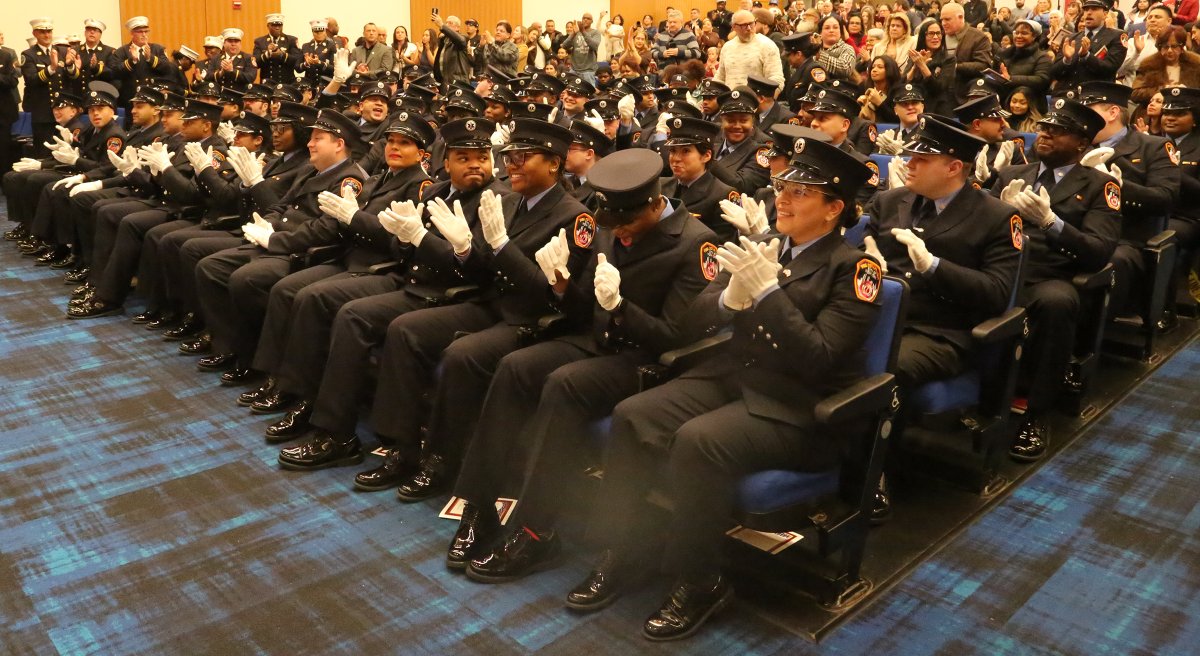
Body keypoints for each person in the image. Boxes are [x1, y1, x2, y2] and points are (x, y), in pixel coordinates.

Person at [556, 135, 878, 642]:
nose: (784, 199)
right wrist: (730, 297)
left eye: (801, 193)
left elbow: (818, 357)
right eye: (784, 187)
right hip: (733, 378)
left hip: (799, 408)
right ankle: (626, 548)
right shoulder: (767, 246)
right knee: (633, 414)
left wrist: (770, 293)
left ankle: (700, 580)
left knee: (699, 440)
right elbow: (696, 319)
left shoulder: (856, 269)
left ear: (835, 209)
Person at [443, 147, 719, 579]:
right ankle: (480, 505)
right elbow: (582, 307)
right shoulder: (612, 224)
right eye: (614, 223)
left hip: (642, 359)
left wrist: (622, 306)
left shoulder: (695, 244)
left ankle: (536, 531)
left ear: (654, 203)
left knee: (565, 383)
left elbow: (676, 338)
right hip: (594, 340)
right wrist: (561, 287)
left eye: (628, 222)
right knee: (514, 366)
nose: (621, 233)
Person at [990, 98, 1121, 461]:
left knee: (1057, 303)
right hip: (1001, 269)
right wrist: (994, 208)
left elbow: (1100, 250)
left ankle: (1036, 413)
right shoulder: (1010, 175)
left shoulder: (1100, 185)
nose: (1044, 134)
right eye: (1043, 127)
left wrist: (1053, 223)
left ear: (1081, 142)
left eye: (1056, 131)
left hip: (1050, 274)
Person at [1080, 81, 1181, 318]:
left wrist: (1120, 188)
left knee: (1113, 259)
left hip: (1127, 236)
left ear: (1113, 113)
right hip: (1081, 229)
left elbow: (1165, 198)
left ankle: (1092, 333)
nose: (1081, 119)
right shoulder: (1078, 145)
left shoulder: (1153, 147)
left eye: (1089, 112)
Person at [1049, 0, 1129, 89]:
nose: (1089, 13)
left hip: (1096, 94)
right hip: (1066, 93)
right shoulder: (1070, 38)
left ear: (1105, 14)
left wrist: (1086, 56)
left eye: (1094, 9)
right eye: (1086, 10)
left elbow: (1109, 69)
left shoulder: (1117, 36)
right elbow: (1054, 73)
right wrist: (1066, 60)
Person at [714, 9, 786, 89]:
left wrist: (765, 100)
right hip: (730, 99)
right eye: (744, 25)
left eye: (751, 24)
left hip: (757, 99)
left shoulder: (767, 45)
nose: (749, 28)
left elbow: (776, 79)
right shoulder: (727, 47)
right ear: (734, 27)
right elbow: (720, 77)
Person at [1132, 26, 1200, 106]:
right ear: (1159, 47)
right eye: (1165, 47)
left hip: (1188, 112)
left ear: (1182, 48)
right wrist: (1164, 90)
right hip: (1155, 113)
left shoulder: (1196, 64)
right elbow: (1135, 94)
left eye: (1174, 46)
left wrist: (1186, 92)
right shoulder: (1149, 64)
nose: (1169, 51)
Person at [942, 2, 994, 101]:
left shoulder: (979, 37)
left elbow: (984, 66)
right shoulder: (939, 36)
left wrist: (955, 66)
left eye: (947, 19)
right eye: (942, 19)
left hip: (965, 95)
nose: (943, 23)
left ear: (961, 17)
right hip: (941, 93)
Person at [909, 19, 958, 117]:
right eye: (931, 33)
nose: (935, 37)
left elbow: (938, 88)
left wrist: (923, 66)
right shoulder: (915, 56)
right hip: (914, 108)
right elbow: (905, 83)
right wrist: (915, 66)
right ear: (923, 36)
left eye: (938, 33)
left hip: (938, 110)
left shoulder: (949, 59)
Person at [1117, 4, 1173, 87]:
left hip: (1164, 93)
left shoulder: (1176, 44)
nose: (1152, 20)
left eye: (1157, 17)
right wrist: (1136, 53)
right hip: (1134, 93)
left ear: (1169, 21)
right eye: (1149, 17)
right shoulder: (1134, 42)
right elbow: (1120, 70)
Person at [999, 18, 1052, 98]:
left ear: (1034, 37)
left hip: (1031, 102)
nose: (1018, 36)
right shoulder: (1005, 54)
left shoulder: (1043, 57)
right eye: (1016, 33)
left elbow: (1042, 80)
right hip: (1005, 99)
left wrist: (1011, 79)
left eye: (1024, 33)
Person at [254, 14, 300, 85]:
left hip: (287, 83)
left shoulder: (291, 40)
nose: (277, 28)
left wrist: (282, 55)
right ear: (268, 26)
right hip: (267, 84)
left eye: (280, 25)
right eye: (274, 25)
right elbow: (255, 63)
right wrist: (267, 54)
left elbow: (297, 60)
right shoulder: (260, 41)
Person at [432, 14, 473, 88]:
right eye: (446, 22)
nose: (447, 25)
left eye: (450, 23)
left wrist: (442, 25)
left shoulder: (464, 37)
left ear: (457, 27)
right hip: (444, 82)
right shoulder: (444, 40)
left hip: (458, 83)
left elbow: (460, 41)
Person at [816, 14, 860, 81]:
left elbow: (846, 68)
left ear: (840, 32)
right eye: (827, 28)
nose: (831, 30)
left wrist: (819, 56)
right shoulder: (814, 49)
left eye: (835, 27)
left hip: (836, 89)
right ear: (820, 33)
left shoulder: (847, 48)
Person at [564, 12, 603, 85]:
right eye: (584, 18)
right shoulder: (576, 33)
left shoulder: (595, 32)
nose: (585, 20)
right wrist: (573, 33)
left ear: (592, 21)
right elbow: (564, 46)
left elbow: (594, 46)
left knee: (588, 94)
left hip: (588, 71)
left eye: (588, 18)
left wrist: (583, 31)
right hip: (574, 70)